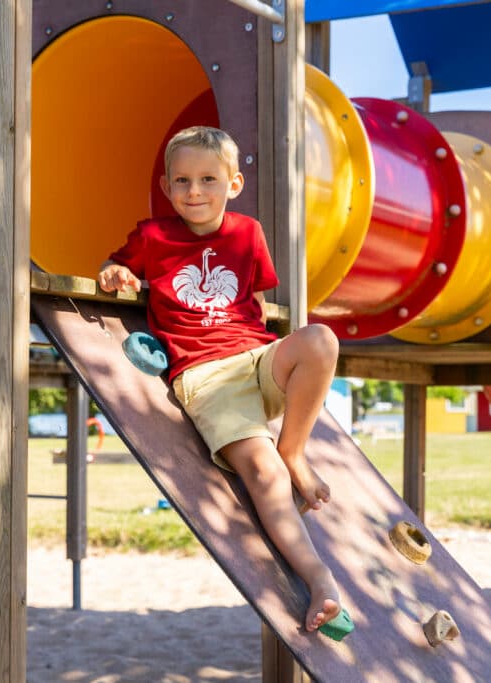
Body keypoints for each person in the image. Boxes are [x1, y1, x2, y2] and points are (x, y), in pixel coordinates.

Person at [98, 126, 344, 633]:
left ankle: (294, 449)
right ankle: (320, 577)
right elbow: (112, 266)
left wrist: (275, 358)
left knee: (320, 338)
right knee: (264, 476)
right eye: (183, 181)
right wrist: (115, 275)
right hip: (208, 378)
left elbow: (251, 305)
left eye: (208, 179)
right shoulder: (154, 237)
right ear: (167, 187)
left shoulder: (247, 233)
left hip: (256, 358)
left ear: (233, 183)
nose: (194, 191)